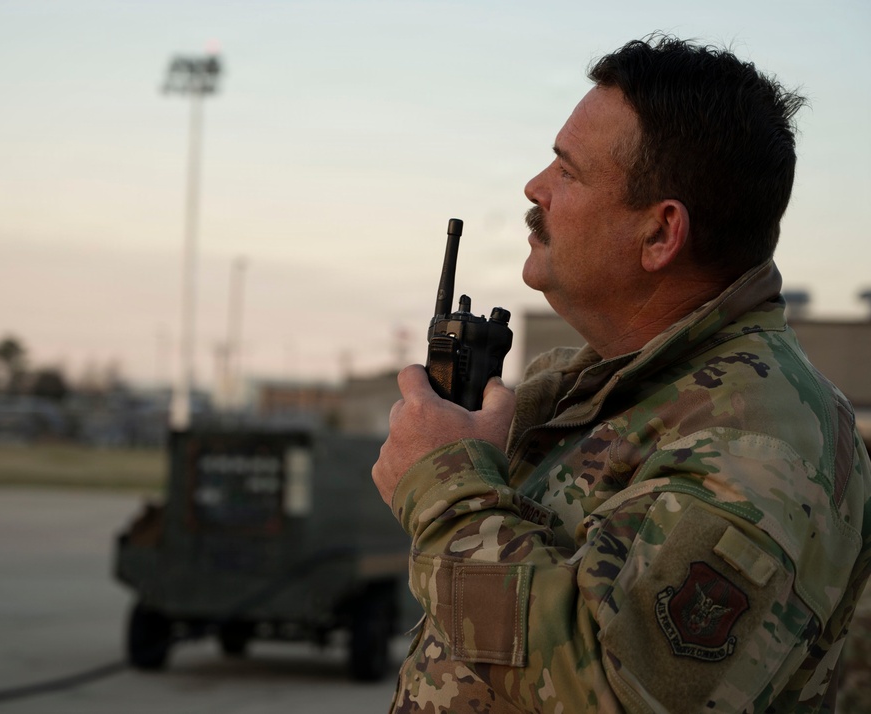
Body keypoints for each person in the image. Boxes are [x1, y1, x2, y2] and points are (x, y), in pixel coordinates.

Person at [372, 34, 871, 713]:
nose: (535, 188)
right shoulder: (604, 389)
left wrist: (445, 492)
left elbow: (615, 694)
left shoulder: (755, 443)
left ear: (660, 234)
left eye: (568, 172)